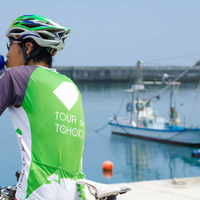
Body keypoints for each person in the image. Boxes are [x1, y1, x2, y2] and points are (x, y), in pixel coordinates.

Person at [0, 14, 87, 200]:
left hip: (34, 193)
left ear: (28, 47)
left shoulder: (15, 77)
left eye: (10, 45)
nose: (6, 54)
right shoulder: (71, 86)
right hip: (75, 194)